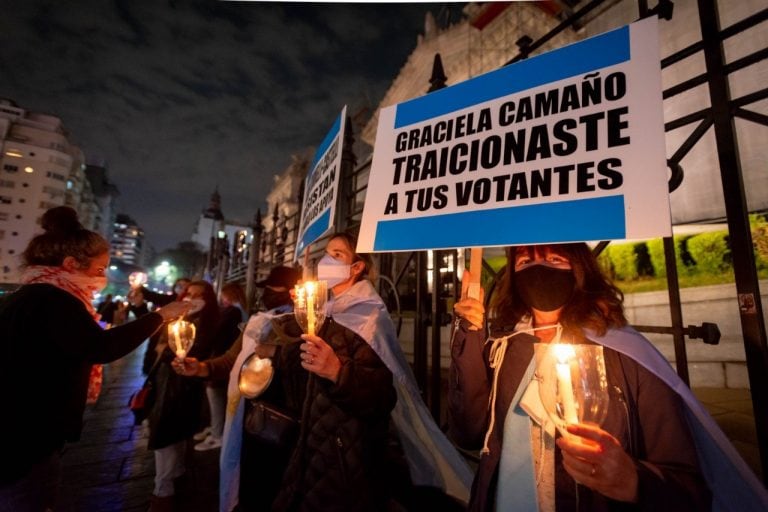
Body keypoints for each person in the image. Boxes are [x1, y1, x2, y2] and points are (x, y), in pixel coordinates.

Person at [448, 243, 768, 511]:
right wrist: (470, 334)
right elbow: (469, 432)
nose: (539, 268)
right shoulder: (503, 347)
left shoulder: (625, 356)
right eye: (525, 260)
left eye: (555, 258)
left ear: (579, 269)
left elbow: (689, 488)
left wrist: (632, 480)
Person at [0, 207, 190, 512]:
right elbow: (100, 347)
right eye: (100, 269)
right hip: (25, 431)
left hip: (20, 423)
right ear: (71, 264)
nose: (102, 277)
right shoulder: (55, 299)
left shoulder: (33, 294)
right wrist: (159, 316)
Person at [270, 232, 473, 511]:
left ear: (357, 267)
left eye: (338, 255)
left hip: (347, 452)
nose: (327, 260)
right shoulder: (322, 308)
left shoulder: (369, 315)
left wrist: (337, 371)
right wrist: (301, 313)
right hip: (311, 441)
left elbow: (380, 394)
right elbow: (294, 367)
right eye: (326, 253)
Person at [172, 265, 301, 511]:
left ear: (292, 292)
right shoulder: (258, 320)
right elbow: (233, 359)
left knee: (266, 485)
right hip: (241, 411)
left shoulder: (300, 325)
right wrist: (201, 368)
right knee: (240, 474)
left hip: (272, 420)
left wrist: (278, 353)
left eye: (274, 288)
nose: (267, 294)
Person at [146, 280, 219, 512]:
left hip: (183, 382)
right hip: (167, 378)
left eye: (199, 294)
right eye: (190, 293)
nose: (193, 298)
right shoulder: (178, 314)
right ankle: (173, 478)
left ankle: (163, 490)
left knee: (167, 430)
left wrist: (188, 361)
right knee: (170, 431)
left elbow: (202, 348)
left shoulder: (206, 319)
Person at [193, 282, 248, 452]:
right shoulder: (239, 311)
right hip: (223, 358)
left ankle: (218, 434)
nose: (222, 299)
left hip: (223, 358)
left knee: (216, 397)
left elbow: (217, 333)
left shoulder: (232, 311)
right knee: (217, 398)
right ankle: (216, 428)